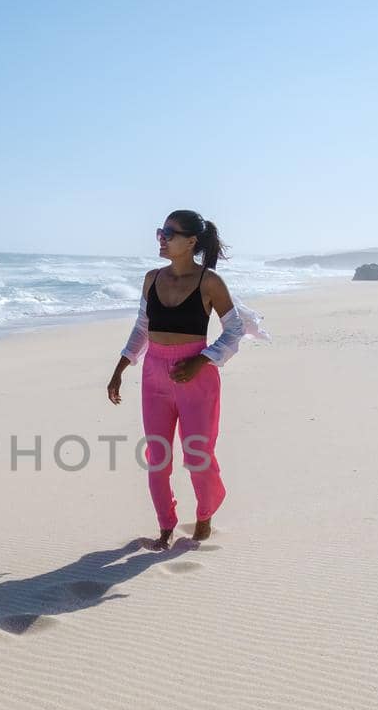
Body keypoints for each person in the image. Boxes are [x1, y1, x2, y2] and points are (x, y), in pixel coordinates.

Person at [106, 210, 267, 549]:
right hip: (154, 375)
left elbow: (234, 331)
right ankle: (166, 525)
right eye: (160, 232)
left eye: (170, 232)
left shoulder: (209, 282)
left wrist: (201, 360)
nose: (162, 238)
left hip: (197, 377)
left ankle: (205, 516)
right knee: (157, 456)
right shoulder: (151, 279)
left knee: (197, 456)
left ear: (191, 241)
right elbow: (142, 327)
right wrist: (122, 366)